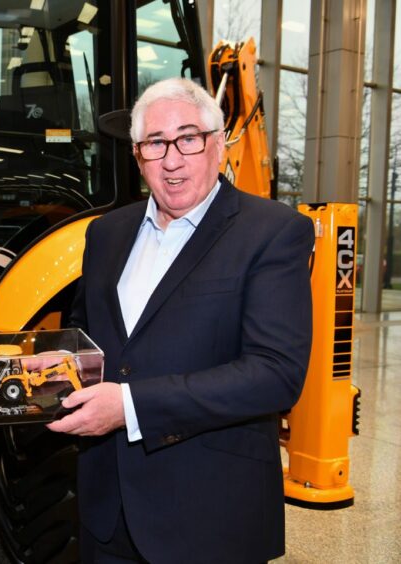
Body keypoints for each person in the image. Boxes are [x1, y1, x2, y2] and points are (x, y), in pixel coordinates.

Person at [46, 78, 315, 563]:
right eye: (155, 144)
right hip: (107, 510)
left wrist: (129, 406)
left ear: (217, 145)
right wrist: (62, 360)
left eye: (188, 139)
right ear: (137, 155)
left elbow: (275, 374)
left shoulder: (273, 232)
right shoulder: (106, 234)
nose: (172, 160)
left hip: (209, 516)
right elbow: (90, 336)